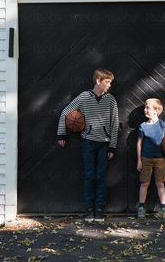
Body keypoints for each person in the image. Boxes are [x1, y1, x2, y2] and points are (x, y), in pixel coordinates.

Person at [57, 68, 119, 222]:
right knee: (89, 176)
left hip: (104, 144)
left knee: (101, 177)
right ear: (98, 81)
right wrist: (61, 133)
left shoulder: (111, 100)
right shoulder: (84, 97)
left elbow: (115, 123)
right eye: (107, 82)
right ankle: (88, 211)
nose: (110, 85)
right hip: (88, 142)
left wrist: (112, 146)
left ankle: (99, 210)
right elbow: (66, 112)